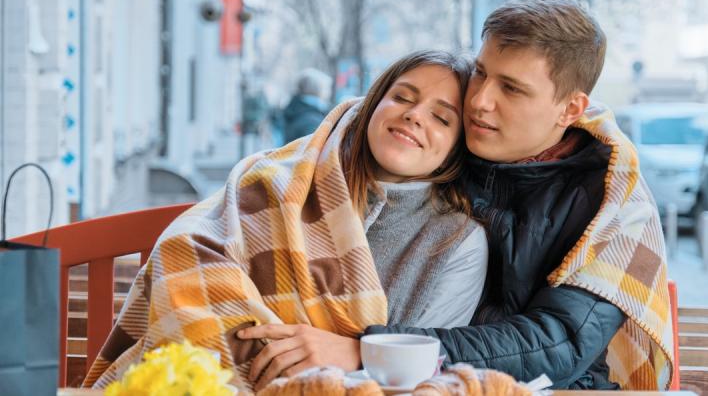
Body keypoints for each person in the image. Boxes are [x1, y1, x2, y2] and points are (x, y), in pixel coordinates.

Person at [246, 0, 675, 391]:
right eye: (482, 73)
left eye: (511, 88)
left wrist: (367, 350)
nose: (480, 101)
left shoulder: (616, 206)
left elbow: (560, 342)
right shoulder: (447, 140)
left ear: (570, 109)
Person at [83, 50, 488, 392]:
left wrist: (348, 355)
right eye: (403, 97)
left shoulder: (456, 242)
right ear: (374, 103)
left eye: (442, 118)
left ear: (456, 147)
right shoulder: (278, 180)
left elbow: (425, 371)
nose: (415, 115)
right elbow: (187, 253)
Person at [281, 68, 333, 143]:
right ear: (317, 90)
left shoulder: (297, 109)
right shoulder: (312, 120)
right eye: (325, 89)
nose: (328, 93)